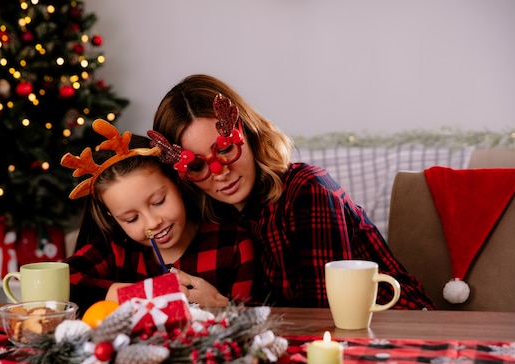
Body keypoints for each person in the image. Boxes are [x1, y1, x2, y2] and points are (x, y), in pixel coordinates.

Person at [151, 74, 435, 310]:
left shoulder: (307, 191)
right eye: (198, 165)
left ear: (248, 133)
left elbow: (327, 318)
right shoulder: (220, 220)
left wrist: (225, 309)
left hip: (400, 328)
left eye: (225, 149)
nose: (220, 172)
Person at [61, 119, 255, 312]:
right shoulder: (115, 249)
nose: (153, 223)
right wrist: (146, 293)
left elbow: (262, 321)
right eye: (131, 219)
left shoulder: (232, 244)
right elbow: (60, 282)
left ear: (177, 184)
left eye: (159, 202)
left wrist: (224, 307)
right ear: (112, 216)